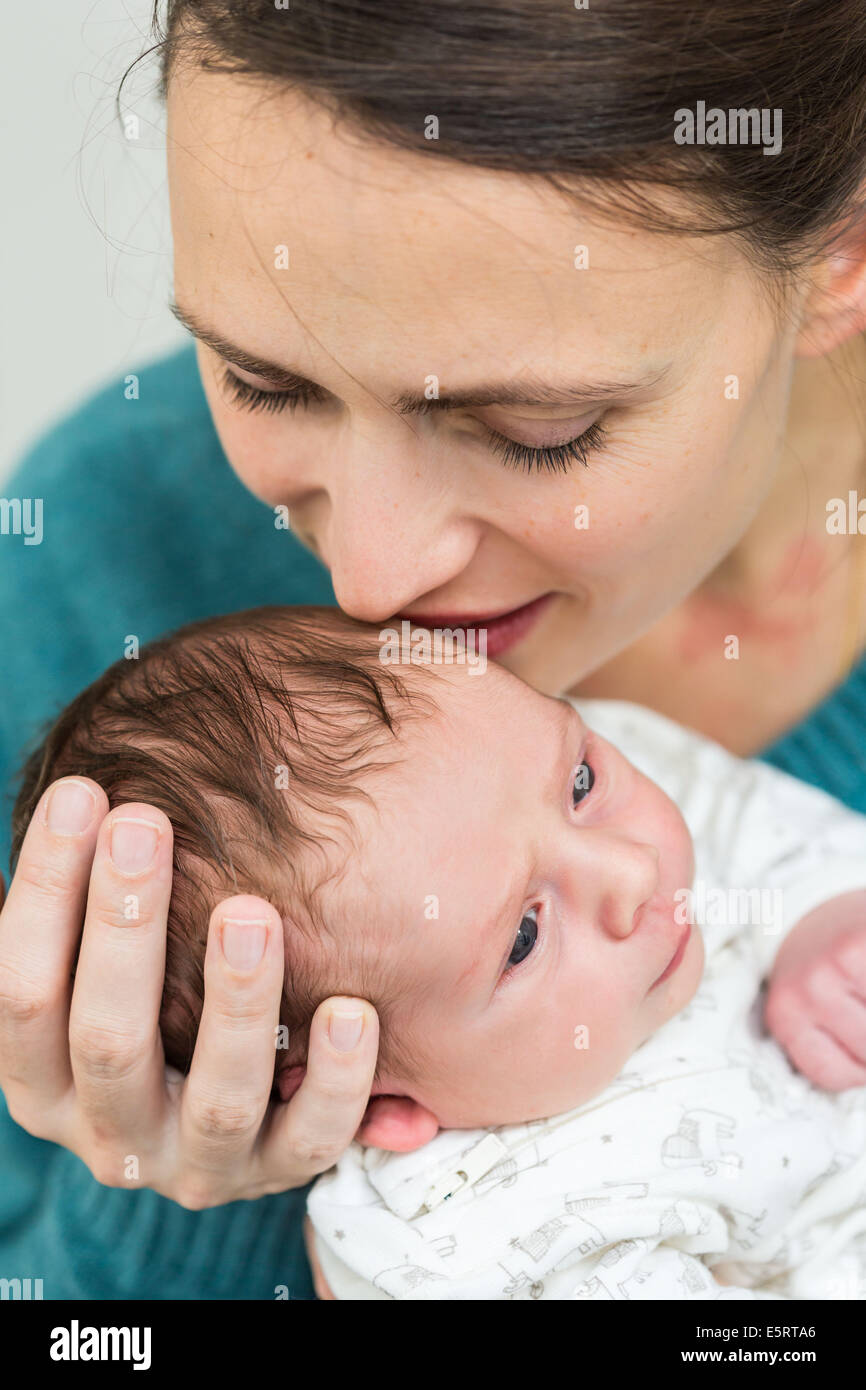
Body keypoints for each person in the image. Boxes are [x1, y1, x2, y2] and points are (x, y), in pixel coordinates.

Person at [1, 0, 865, 1299]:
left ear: (842, 255)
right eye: (264, 381)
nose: (372, 576)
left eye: (535, 429)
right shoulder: (100, 552)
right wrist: (199, 1190)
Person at [10, 604, 866, 1301]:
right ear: (370, 1094)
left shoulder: (594, 760)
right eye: (524, 936)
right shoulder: (471, 1232)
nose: (632, 870)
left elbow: (767, 827)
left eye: (580, 784)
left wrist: (826, 918)